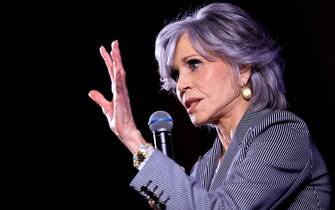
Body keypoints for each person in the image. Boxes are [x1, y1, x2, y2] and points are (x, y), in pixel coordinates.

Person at [88, 2, 331, 209]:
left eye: (194, 64)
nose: (181, 85)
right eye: (175, 75)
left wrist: (132, 137)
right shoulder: (204, 167)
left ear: (243, 68)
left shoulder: (283, 135)